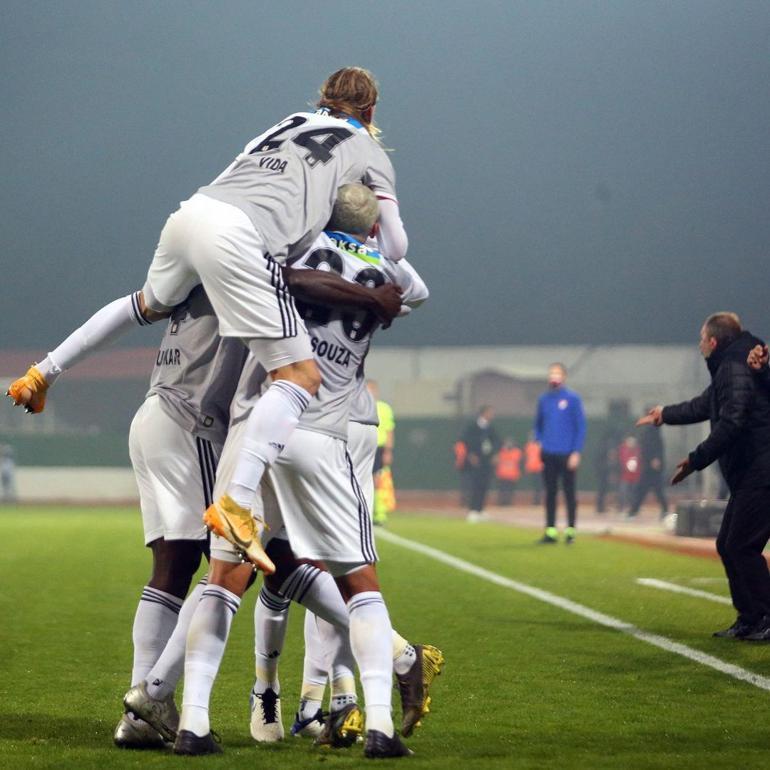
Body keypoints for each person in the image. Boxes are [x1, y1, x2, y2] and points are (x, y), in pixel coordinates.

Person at [7, 66, 408, 578]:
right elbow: (394, 246)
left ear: (320, 100)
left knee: (146, 303)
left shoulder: (285, 122)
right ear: (371, 112)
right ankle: (236, 501)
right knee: (299, 376)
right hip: (244, 236)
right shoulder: (369, 149)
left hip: (193, 213)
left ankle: (43, 372)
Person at [5, 235, 402, 749]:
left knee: (178, 567)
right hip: (198, 423)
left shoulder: (200, 259)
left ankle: (146, 710)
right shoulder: (253, 262)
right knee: (248, 562)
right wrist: (370, 297)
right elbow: (299, 282)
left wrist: (46, 369)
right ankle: (395, 652)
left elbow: (127, 309)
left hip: (154, 416)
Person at [126, 185, 431, 759]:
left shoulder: (282, 250)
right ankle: (382, 726)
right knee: (358, 581)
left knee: (224, 577)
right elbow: (414, 289)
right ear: (369, 230)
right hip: (322, 436)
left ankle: (190, 721)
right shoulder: (388, 272)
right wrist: (372, 264)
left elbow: (274, 272)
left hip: (252, 427)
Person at [637, 312, 770, 641]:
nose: (699, 346)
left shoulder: (734, 366)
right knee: (728, 544)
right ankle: (750, 617)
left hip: (761, 469)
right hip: (751, 471)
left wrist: (696, 459)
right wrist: (665, 414)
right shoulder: (735, 363)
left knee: (741, 545)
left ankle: (764, 616)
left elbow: (733, 419)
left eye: (701, 340)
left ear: (713, 341)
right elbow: (707, 404)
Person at [534, 363, 586, 544]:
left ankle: (570, 531)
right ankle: (550, 531)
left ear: (564, 376)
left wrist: (576, 452)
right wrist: (540, 441)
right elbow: (538, 424)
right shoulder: (544, 399)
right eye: (551, 373)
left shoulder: (573, 399)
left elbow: (580, 427)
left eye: (557, 373)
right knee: (550, 493)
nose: (553, 377)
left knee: (569, 493)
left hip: (567, 453)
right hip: (548, 453)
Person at [461, 406, 501, 523]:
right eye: (490, 412)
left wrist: (495, 454)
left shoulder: (490, 428)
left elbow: (497, 441)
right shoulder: (472, 427)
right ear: (483, 413)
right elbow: (465, 441)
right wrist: (471, 454)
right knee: (475, 485)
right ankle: (473, 510)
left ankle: (480, 509)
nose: (492, 415)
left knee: (485, 484)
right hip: (476, 460)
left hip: (487, 460)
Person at [368, 380, 395, 525]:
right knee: (363, 480)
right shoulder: (358, 407)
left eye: (372, 390)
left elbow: (390, 431)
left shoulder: (384, 408)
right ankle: (365, 512)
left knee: (378, 480)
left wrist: (388, 451)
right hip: (364, 447)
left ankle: (379, 513)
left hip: (379, 448)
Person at [629, 417, 668, 518]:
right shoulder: (650, 434)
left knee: (651, 490)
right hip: (649, 468)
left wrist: (657, 460)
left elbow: (656, 450)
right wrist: (652, 460)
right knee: (644, 490)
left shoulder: (653, 434)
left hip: (652, 469)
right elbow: (647, 449)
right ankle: (633, 511)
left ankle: (634, 511)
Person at [617, 435, 641, 513]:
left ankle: (632, 508)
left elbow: (640, 463)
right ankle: (622, 507)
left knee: (633, 493)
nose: (631, 444)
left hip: (635, 476)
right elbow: (621, 461)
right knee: (623, 492)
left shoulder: (638, 451)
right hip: (624, 476)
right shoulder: (623, 450)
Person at [495, 437, 522, 506]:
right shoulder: (501, 452)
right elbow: (497, 460)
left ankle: (508, 503)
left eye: (510, 443)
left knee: (510, 491)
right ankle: (501, 503)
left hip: (512, 475)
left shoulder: (517, 452)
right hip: (502, 475)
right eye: (507, 443)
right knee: (502, 490)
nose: (508, 444)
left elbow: (518, 461)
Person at [523, 431, 544, 505]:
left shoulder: (540, 445)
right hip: (531, 469)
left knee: (538, 486)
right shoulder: (528, 446)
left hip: (539, 469)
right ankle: (534, 501)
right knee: (533, 486)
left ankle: (537, 501)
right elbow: (527, 457)